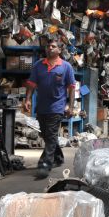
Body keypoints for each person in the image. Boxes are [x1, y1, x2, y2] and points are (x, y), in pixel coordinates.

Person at [24, 41, 76, 178]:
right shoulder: (38, 65)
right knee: (47, 135)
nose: (50, 48)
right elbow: (31, 84)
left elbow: (71, 88)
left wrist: (70, 107)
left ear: (59, 50)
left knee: (51, 134)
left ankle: (45, 164)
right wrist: (28, 99)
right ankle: (58, 157)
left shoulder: (66, 67)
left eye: (53, 46)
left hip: (57, 107)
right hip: (41, 107)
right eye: (48, 46)